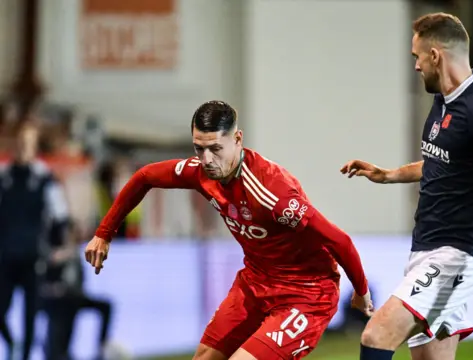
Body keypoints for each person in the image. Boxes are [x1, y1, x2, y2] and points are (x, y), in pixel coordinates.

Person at [84, 100, 373, 360]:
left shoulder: (273, 194)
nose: (207, 160)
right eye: (200, 148)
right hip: (255, 282)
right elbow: (145, 176)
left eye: (215, 149)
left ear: (237, 139)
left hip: (306, 295)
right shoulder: (200, 172)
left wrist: (361, 291)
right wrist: (103, 233)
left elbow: (339, 240)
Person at [340, 13, 473, 360]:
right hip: (426, 250)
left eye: (416, 56)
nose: (416, 66)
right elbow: (444, 163)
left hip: (458, 254)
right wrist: (388, 175)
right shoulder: (444, 101)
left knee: (377, 335)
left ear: (435, 55)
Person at [0, 122, 69, 360]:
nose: (21, 148)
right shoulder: (4, 176)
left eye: (27, 144)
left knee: (30, 316)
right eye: (18, 143)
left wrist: (60, 248)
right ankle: (11, 344)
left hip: (33, 257)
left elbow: (60, 217)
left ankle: (25, 356)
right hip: (5, 257)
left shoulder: (45, 179)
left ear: (34, 147)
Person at [43, 220, 113, 360]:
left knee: (104, 306)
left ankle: (101, 348)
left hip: (74, 296)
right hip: (58, 299)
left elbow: (79, 281)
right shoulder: (53, 254)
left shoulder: (75, 252)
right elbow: (43, 280)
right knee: (65, 307)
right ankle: (59, 352)